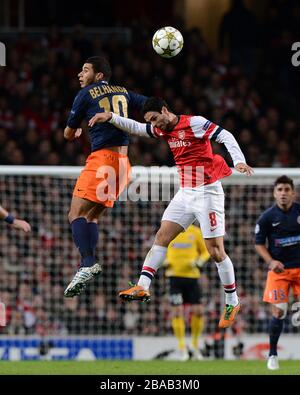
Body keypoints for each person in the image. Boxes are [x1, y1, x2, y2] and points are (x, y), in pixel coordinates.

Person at [89, 96, 253, 328]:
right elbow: (138, 128)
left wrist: (238, 161)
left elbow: (225, 135)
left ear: (165, 110)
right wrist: (111, 117)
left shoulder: (194, 123)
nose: (155, 125)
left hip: (207, 192)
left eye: (156, 118)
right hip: (185, 192)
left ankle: (232, 301)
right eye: (151, 121)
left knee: (215, 251)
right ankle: (142, 286)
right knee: (162, 236)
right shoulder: (162, 129)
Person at [63, 56, 147, 297]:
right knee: (91, 216)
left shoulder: (87, 93)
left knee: (75, 213)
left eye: (85, 70)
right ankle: (87, 263)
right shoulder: (124, 91)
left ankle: (87, 263)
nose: (80, 74)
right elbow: (147, 104)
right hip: (123, 165)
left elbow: (68, 133)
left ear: (99, 76)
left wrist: (76, 131)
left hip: (103, 160)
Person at [254, 175, 300, 370]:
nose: (283, 193)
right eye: (280, 190)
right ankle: (273, 354)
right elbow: (258, 244)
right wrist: (271, 261)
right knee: (279, 311)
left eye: (286, 190)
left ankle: (298, 309)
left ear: (293, 193)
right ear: (274, 193)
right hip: (280, 272)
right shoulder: (267, 217)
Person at [164, 224, 209, 361]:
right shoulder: (169, 230)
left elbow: (206, 251)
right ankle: (182, 347)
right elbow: (159, 248)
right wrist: (164, 260)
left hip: (192, 277)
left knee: (199, 311)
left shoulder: (195, 232)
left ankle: (194, 346)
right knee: (177, 312)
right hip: (174, 277)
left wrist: (199, 261)